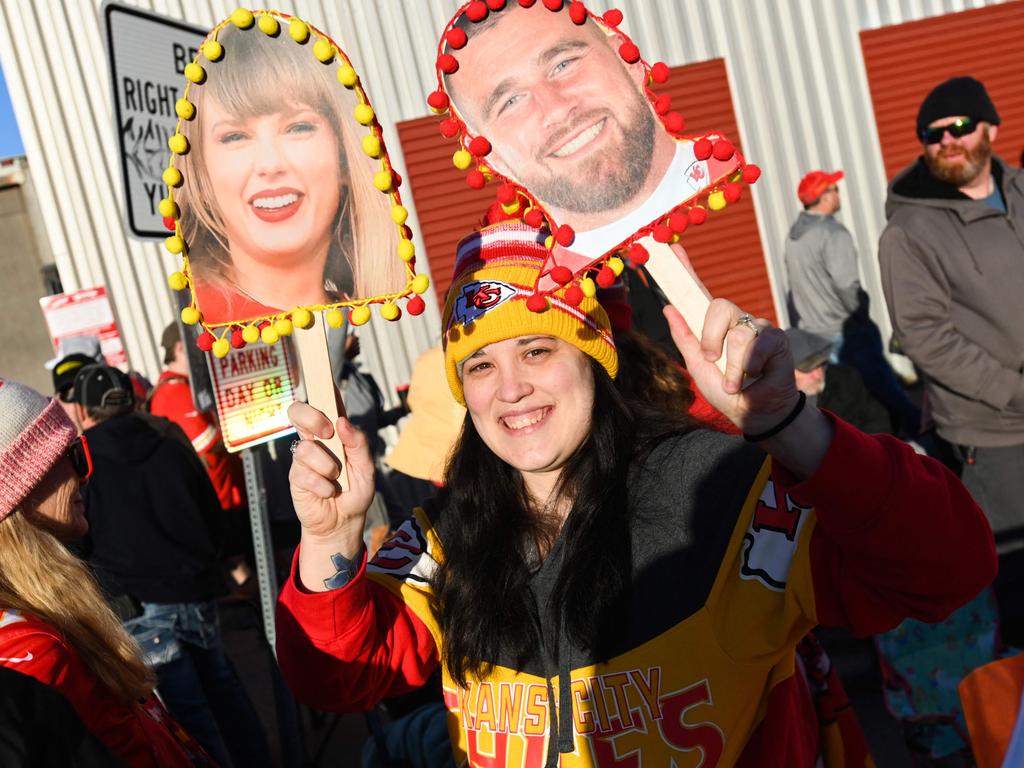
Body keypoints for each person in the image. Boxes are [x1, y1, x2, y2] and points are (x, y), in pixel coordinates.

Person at [276, 219, 996, 766]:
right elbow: (338, 680)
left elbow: (950, 570)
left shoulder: (723, 491)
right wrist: (329, 541)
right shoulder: (443, 537)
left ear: (595, 360)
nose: (511, 388)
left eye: (537, 350)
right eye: (480, 366)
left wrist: (792, 427)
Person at [878, 75, 1024, 645]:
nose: (947, 141)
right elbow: (923, 336)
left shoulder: (1020, 191)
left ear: (990, 127)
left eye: (960, 127)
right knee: (1018, 579)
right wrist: (1013, 390)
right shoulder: (909, 232)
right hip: (993, 435)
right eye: (932, 134)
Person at [66, 363, 271, 768]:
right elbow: (209, 504)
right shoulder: (168, 434)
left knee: (187, 716)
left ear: (85, 411)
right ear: (131, 398)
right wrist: (220, 559)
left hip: (136, 603)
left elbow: (80, 535)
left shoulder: (83, 457)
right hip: (195, 589)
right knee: (223, 690)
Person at [0, 378, 211, 766]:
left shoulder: (45, 620)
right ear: (21, 491)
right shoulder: (36, 656)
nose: (84, 473)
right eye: (70, 454)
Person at [441, 1, 734, 258]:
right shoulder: (549, 305)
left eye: (563, 64)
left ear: (626, 59)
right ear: (490, 158)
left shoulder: (718, 171)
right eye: (511, 102)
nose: (556, 109)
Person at [177, 16, 404, 324]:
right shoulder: (206, 333)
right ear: (201, 176)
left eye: (298, 127)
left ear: (344, 157)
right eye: (235, 136)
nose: (271, 164)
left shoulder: (361, 312)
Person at [784, 170, 920, 436]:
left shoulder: (794, 237)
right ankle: (927, 446)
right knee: (885, 391)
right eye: (833, 189)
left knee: (842, 403)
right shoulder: (832, 233)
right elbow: (847, 285)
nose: (838, 194)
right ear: (823, 197)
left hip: (816, 337)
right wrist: (860, 317)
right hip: (846, 331)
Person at [150, 321, 245, 515]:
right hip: (218, 505)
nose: (204, 350)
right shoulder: (175, 392)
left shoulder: (180, 388)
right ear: (181, 348)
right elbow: (208, 444)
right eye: (199, 345)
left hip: (220, 501)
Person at [786, 327, 892, 435]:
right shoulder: (780, 409)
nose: (817, 375)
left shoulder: (846, 379)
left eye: (819, 364)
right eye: (807, 368)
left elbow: (877, 417)